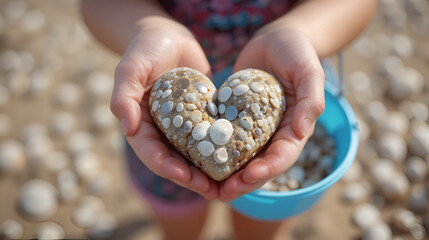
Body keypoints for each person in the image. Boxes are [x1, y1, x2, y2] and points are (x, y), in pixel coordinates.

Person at [81, 0, 376, 239]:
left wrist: (301, 32)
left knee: (261, 229)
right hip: (164, 113)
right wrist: (148, 29)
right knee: (179, 225)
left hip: (286, 85)